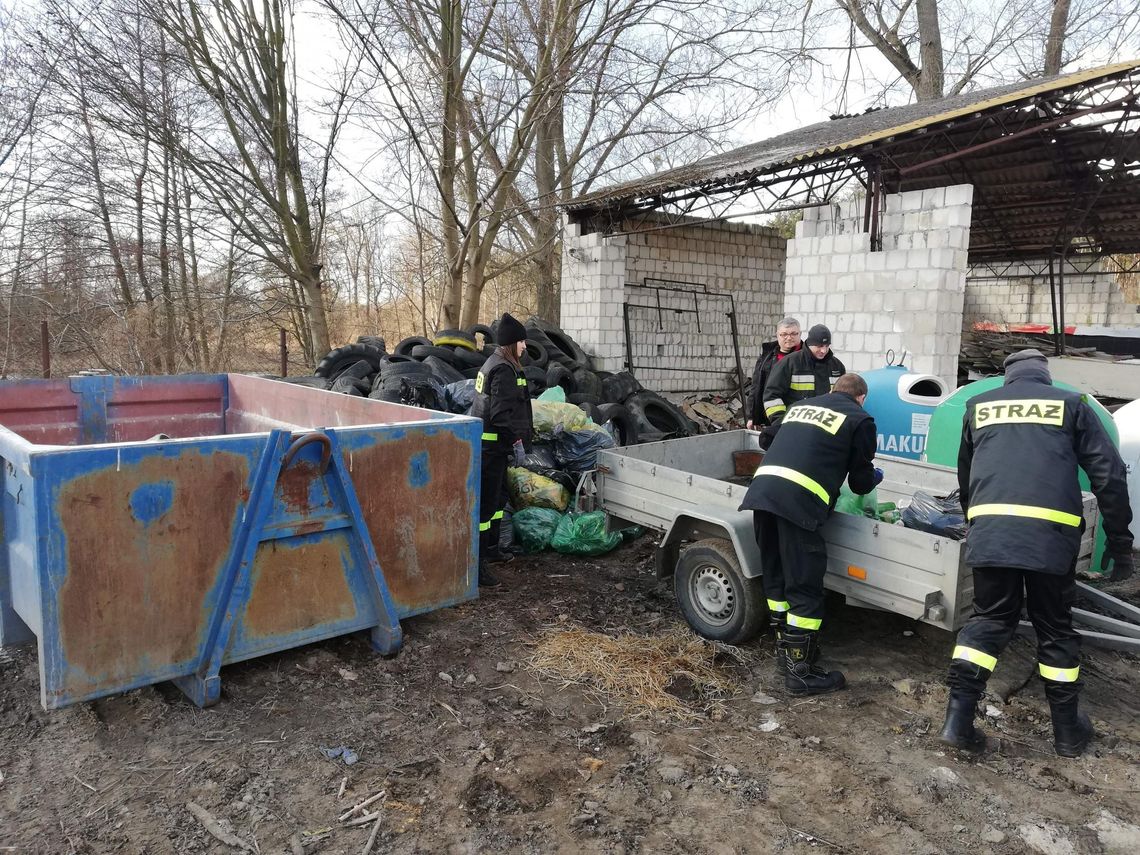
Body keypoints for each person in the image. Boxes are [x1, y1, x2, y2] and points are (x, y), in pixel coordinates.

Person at [939, 349, 1133, 757]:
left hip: (991, 532)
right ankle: (1067, 733)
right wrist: (1119, 542)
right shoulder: (1071, 404)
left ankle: (957, 721)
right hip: (1049, 537)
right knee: (1054, 627)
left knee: (989, 619)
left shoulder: (978, 406)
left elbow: (966, 474)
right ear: (1046, 376)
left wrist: (977, 523)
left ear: (1007, 378)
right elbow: (1109, 473)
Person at [739, 373, 882, 695]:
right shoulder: (861, 419)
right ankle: (800, 673)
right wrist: (874, 476)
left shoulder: (803, 406)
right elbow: (859, 484)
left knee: (776, 578)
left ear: (833, 391)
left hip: (762, 494)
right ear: (861, 398)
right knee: (804, 586)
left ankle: (785, 654)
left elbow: (765, 439)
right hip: (799, 506)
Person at [469, 313, 533, 588]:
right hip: (492, 447)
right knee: (485, 508)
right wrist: (516, 441)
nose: (525, 347)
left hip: (493, 446)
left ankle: (492, 549)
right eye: (522, 342)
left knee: (497, 502)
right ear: (511, 344)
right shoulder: (504, 370)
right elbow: (499, 413)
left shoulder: (494, 362)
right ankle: (479, 566)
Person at [760, 323, 845, 448]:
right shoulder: (790, 363)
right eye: (819, 346)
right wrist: (782, 424)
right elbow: (771, 397)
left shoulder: (837, 366)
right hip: (794, 431)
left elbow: (842, 400)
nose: (823, 350)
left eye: (827, 346)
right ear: (809, 343)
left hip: (826, 433)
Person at [746, 317, 802, 430]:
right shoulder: (767, 356)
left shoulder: (807, 357)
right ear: (777, 335)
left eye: (793, 334)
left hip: (797, 419)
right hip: (769, 417)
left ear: (800, 334)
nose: (789, 338)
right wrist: (753, 417)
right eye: (784, 334)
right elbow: (756, 387)